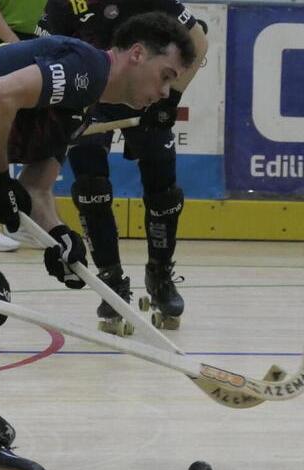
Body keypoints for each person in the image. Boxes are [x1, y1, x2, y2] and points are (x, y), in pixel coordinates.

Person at [0, 13, 196, 470]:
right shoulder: (87, 66)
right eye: (166, 76)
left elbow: (35, 187)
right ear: (137, 53)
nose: (165, 93)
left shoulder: (88, 106)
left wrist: (59, 237)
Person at [44, 0, 209, 333]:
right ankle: (111, 281)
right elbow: (45, 53)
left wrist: (170, 100)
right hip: (92, 97)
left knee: (163, 188)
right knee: (91, 189)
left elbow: (198, 39)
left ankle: (160, 274)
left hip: (142, 91)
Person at [0, 0, 49, 252]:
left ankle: (17, 218)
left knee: (26, 132)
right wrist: (12, 42)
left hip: (35, 39)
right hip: (2, 39)